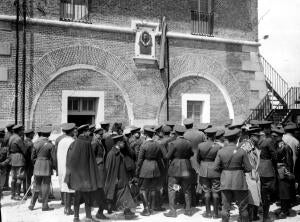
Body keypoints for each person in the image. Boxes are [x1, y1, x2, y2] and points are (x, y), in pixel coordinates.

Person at [65, 124, 104, 222]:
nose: (89, 133)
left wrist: (70, 174)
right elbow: (91, 161)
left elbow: (69, 159)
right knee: (87, 197)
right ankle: (88, 216)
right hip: (86, 175)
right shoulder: (87, 144)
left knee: (77, 196)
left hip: (76, 175)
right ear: (85, 132)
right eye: (88, 131)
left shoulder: (73, 144)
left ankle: (76, 217)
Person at [214, 128, 252, 222]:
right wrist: (240, 169)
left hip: (225, 180)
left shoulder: (221, 151)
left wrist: (224, 171)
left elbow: (215, 167)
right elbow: (249, 168)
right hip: (239, 181)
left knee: (225, 207)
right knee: (243, 208)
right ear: (236, 139)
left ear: (227, 139)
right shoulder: (242, 151)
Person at [164, 125, 194, 217]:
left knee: (172, 188)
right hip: (186, 167)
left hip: (175, 168)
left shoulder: (172, 143)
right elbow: (191, 154)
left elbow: (167, 157)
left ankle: (173, 211)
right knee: (187, 189)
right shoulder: (189, 143)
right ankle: (188, 210)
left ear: (176, 133)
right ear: (183, 133)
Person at [104, 135, 136, 219]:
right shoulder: (112, 154)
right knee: (121, 195)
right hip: (117, 179)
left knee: (124, 194)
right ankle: (126, 212)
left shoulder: (119, 152)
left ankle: (127, 211)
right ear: (118, 142)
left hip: (123, 177)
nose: (124, 144)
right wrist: (114, 179)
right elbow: (109, 168)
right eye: (122, 142)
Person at [136, 128, 164, 216]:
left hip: (146, 167)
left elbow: (140, 160)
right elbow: (160, 158)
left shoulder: (144, 145)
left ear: (146, 135)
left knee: (142, 189)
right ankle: (152, 207)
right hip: (155, 168)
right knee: (153, 188)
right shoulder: (157, 144)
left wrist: (137, 171)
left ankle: (146, 209)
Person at [197, 127, 222, 218]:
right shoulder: (218, 146)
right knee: (216, 191)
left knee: (206, 191)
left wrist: (203, 165)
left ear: (206, 135)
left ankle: (207, 213)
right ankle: (215, 213)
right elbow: (220, 160)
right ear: (215, 135)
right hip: (215, 170)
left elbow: (198, 159)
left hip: (204, 169)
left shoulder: (200, 145)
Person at [29, 125, 54, 211]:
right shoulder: (50, 144)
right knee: (46, 186)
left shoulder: (36, 143)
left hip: (37, 165)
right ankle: (45, 206)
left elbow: (32, 158)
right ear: (49, 134)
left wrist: (37, 162)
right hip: (46, 165)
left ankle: (32, 204)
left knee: (36, 186)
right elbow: (53, 158)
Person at [257, 120, 277, 222]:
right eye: (269, 128)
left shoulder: (257, 139)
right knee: (267, 194)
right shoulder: (269, 140)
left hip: (258, 167)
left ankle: (258, 211)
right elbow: (274, 155)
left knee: (259, 191)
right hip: (267, 168)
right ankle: (265, 217)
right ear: (266, 129)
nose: (270, 130)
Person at [240, 127, 261, 221]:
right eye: (257, 136)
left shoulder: (253, 145)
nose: (259, 137)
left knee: (255, 194)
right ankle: (250, 217)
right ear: (252, 136)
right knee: (251, 195)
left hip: (254, 172)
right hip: (249, 173)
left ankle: (253, 215)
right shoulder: (246, 145)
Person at [272, 128, 294, 219]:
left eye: (275, 136)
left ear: (280, 136)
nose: (273, 137)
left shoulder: (285, 146)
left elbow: (289, 162)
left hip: (283, 171)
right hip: (278, 171)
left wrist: (287, 172)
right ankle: (284, 209)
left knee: (284, 191)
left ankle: (285, 211)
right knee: (281, 191)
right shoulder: (277, 145)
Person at [57, 123, 76, 215]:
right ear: (71, 131)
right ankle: (68, 209)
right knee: (69, 187)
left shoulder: (61, 141)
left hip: (61, 166)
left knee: (64, 187)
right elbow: (74, 155)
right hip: (69, 167)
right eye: (74, 130)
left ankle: (66, 206)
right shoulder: (72, 141)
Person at [91, 127, 109, 220]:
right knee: (100, 188)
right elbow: (92, 157)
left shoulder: (99, 142)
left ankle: (99, 208)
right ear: (95, 134)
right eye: (99, 134)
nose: (101, 136)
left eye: (102, 134)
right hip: (98, 167)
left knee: (101, 188)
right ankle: (99, 210)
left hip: (100, 166)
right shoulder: (94, 143)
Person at [8, 124, 26, 200]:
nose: (22, 131)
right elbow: (24, 150)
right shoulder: (18, 139)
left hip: (12, 158)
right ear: (18, 131)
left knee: (13, 177)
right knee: (20, 177)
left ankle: (12, 194)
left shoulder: (11, 137)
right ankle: (17, 194)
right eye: (22, 130)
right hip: (19, 158)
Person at [53, 123, 68, 205]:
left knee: (61, 181)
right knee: (68, 182)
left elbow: (55, 154)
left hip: (60, 163)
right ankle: (68, 200)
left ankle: (63, 199)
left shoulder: (58, 139)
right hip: (68, 163)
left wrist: (56, 165)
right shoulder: (72, 138)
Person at [2, 123, 14, 191]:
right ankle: (5, 185)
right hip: (7, 154)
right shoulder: (9, 136)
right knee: (7, 170)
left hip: (5, 154)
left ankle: (5, 185)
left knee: (6, 171)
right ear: (11, 129)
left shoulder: (6, 135)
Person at [23, 129, 35, 197]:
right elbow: (32, 155)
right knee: (28, 177)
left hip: (24, 162)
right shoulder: (30, 143)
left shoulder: (24, 141)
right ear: (30, 134)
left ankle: (25, 191)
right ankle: (27, 192)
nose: (33, 135)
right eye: (32, 134)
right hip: (29, 163)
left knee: (25, 178)